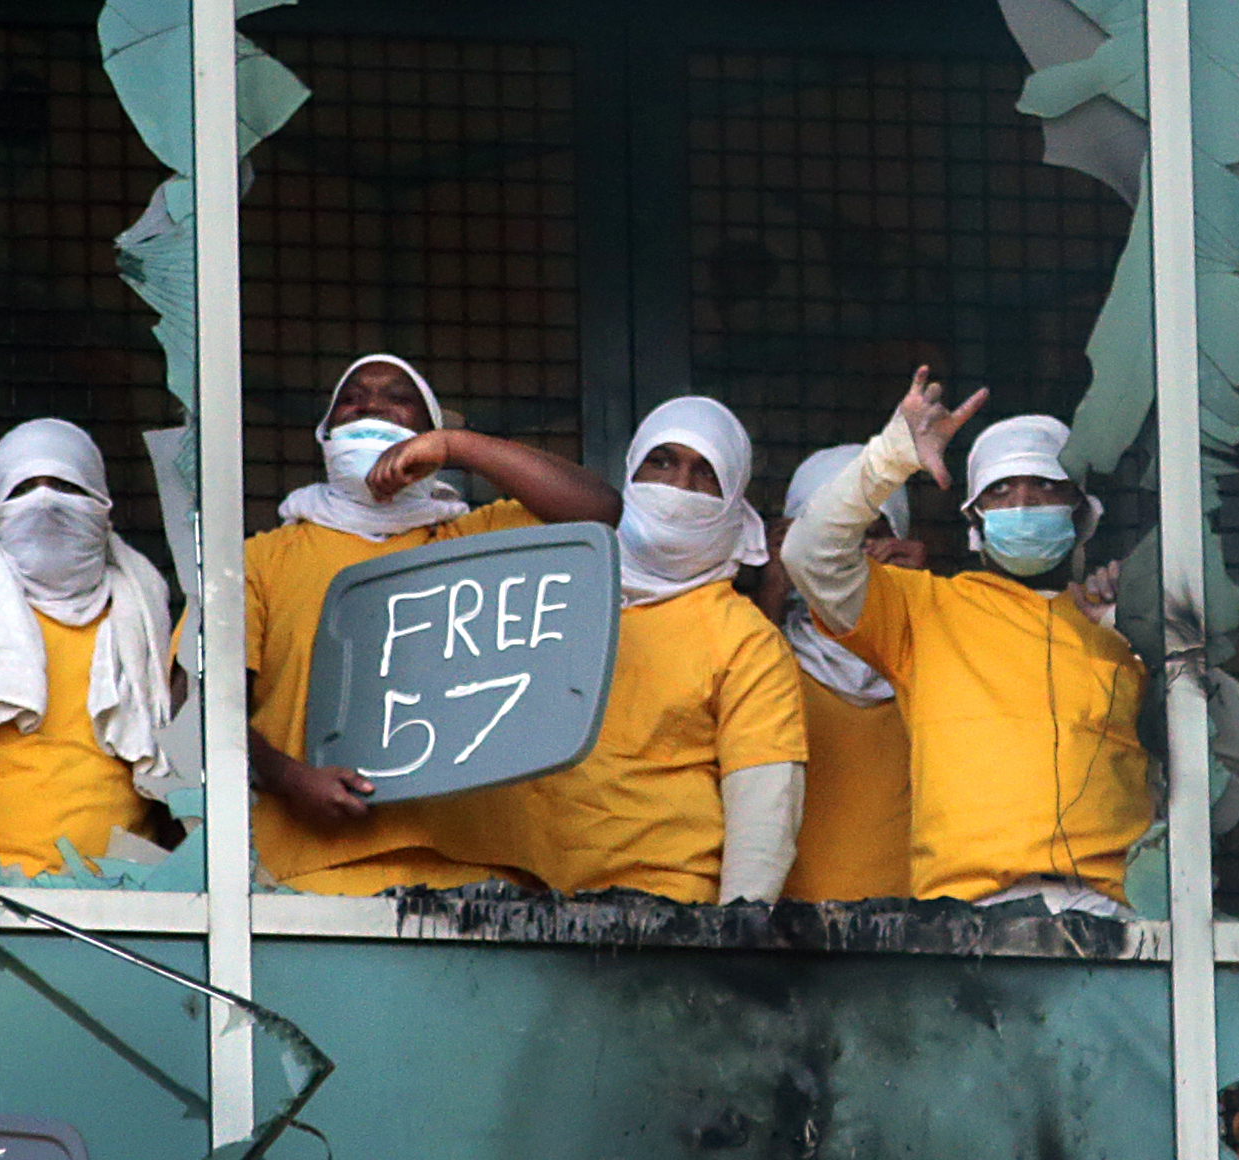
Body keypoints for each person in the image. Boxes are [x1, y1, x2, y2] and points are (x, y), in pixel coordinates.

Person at [242, 353, 621, 893]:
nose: (372, 404)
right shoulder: (262, 560)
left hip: (480, 876)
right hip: (313, 875)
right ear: (324, 433)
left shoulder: (477, 540)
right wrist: (288, 779)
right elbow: (204, 708)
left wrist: (457, 447)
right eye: (353, 398)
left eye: (398, 398)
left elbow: (598, 510)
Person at [781, 371, 1154, 911]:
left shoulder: (1119, 628)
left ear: (1081, 512)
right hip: (967, 916)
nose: (1023, 502)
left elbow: (1227, 742)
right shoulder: (925, 609)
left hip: (1109, 917)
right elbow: (807, 557)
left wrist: (1136, 628)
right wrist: (891, 456)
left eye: (1046, 486)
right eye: (999, 490)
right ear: (974, 521)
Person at [511, 397, 806, 902]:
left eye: (705, 473)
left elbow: (765, 809)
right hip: (512, 905)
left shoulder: (745, 638)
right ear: (629, 471)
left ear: (734, 498)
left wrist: (731, 936)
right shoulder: (546, 582)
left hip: (664, 909)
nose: (678, 488)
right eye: (662, 461)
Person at [0, 418, 184, 878]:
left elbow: (177, 778)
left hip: (130, 900)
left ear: (102, 506)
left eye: (64, 486)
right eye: (23, 490)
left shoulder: (145, 616)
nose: (44, 503)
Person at [773, 442, 923, 903]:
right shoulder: (764, 656)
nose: (846, 556)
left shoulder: (928, 658)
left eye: (869, 533)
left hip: (914, 932)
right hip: (785, 931)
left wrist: (913, 595)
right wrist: (776, 582)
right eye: (830, 538)